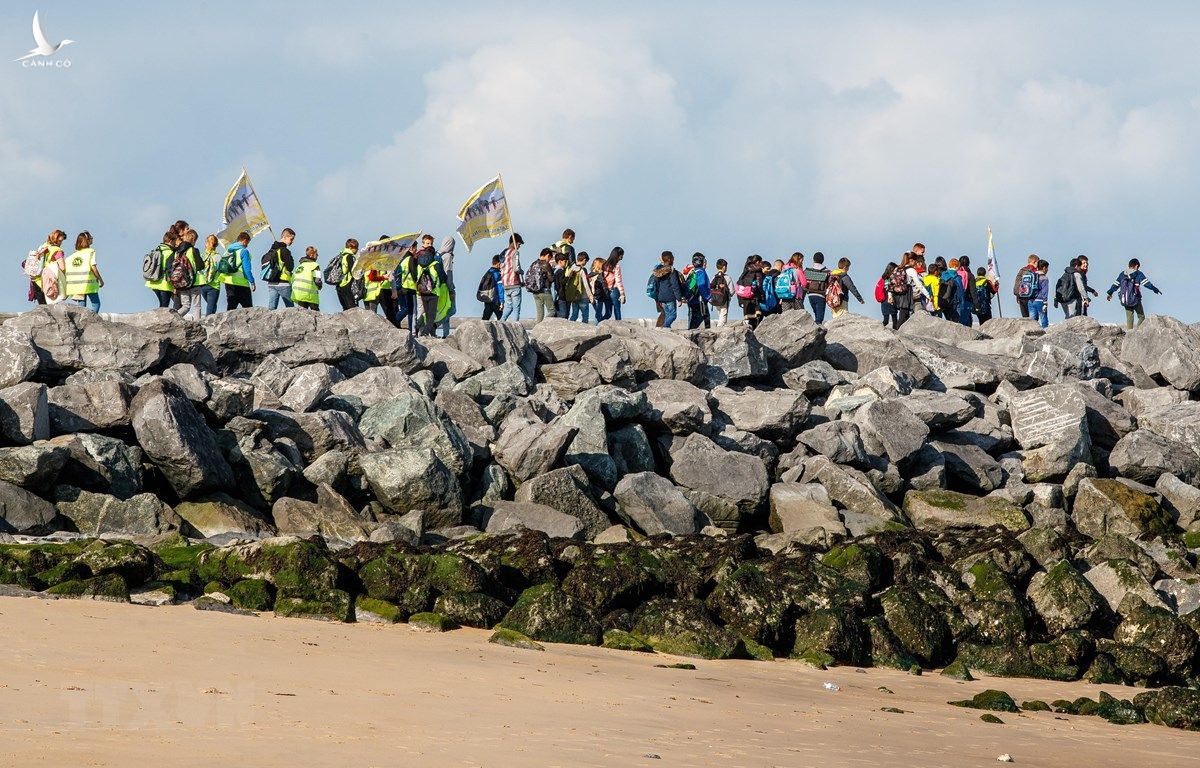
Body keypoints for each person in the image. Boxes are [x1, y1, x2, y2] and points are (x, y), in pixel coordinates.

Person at [1106, 258, 1162, 328]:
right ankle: (1136, 332)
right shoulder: (1139, 273)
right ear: (1136, 266)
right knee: (1141, 316)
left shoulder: (1122, 274)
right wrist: (1155, 289)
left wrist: (1110, 293)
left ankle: (1129, 334)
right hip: (1136, 299)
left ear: (1129, 265)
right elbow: (1147, 284)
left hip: (1125, 299)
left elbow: (1115, 285)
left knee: (1129, 318)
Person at [413, 241, 448, 337]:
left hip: (422, 292)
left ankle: (422, 329)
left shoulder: (419, 264)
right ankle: (424, 332)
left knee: (427, 314)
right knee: (431, 316)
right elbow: (443, 277)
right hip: (433, 292)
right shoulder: (436, 263)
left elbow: (416, 276)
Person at [63, 231, 103, 312]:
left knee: (81, 307)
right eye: (91, 238)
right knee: (96, 303)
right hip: (89, 284)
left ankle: (81, 322)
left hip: (76, 285)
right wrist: (100, 280)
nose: (92, 239)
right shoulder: (90, 252)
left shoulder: (72, 256)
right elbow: (93, 267)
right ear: (87, 240)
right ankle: (91, 321)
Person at [26, 229, 67, 305]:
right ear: (55, 239)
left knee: (42, 308)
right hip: (49, 282)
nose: (60, 243)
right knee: (52, 307)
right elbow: (63, 267)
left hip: (37, 280)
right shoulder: (57, 250)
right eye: (60, 241)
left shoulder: (43, 246)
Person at [174, 229, 205, 320]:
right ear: (193, 239)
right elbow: (200, 266)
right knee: (196, 306)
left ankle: (173, 318)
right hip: (194, 282)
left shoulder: (177, 251)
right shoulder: (193, 250)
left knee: (186, 306)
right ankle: (198, 325)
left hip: (181, 282)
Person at [262, 228, 296, 309]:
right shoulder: (284, 251)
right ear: (284, 237)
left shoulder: (271, 250)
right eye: (291, 239)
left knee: (271, 309)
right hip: (283, 283)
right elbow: (290, 267)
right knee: (291, 309)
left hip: (271, 282)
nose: (292, 241)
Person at [651, 251, 685, 328]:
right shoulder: (672, 271)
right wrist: (679, 299)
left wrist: (657, 298)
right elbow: (675, 285)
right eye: (673, 257)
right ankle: (664, 326)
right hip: (670, 297)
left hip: (661, 297)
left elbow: (656, 285)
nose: (674, 259)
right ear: (670, 259)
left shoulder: (658, 272)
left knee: (667, 315)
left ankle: (666, 329)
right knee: (673, 315)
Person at [222, 231, 256, 310]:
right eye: (247, 242)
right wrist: (252, 281)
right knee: (249, 310)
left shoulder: (228, 251)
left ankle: (227, 322)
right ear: (244, 241)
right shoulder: (244, 251)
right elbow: (247, 269)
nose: (247, 245)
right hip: (241, 283)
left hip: (229, 282)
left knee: (231, 308)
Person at [391, 237, 418, 331]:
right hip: (409, 287)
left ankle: (393, 322)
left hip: (399, 287)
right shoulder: (410, 258)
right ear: (411, 248)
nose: (416, 250)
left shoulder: (401, 259)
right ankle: (411, 330)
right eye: (415, 248)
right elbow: (414, 274)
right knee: (410, 311)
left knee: (403, 308)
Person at [146, 230, 177, 308]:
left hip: (153, 282)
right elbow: (169, 269)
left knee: (162, 305)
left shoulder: (156, 250)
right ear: (170, 241)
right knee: (164, 306)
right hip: (164, 283)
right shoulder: (170, 252)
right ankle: (161, 320)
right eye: (174, 242)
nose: (175, 244)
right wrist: (174, 285)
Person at [524, 247, 555, 322]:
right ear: (547, 255)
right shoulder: (546, 264)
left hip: (535, 292)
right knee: (552, 311)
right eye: (550, 258)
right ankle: (544, 325)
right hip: (545, 291)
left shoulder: (533, 264)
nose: (549, 260)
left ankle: (537, 330)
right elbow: (551, 279)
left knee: (540, 314)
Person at [683, 253, 711, 330]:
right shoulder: (701, 272)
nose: (706, 263)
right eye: (704, 261)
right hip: (700, 299)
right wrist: (708, 297)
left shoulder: (693, 271)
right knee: (705, 317)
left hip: (692, 299)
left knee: (692, 318)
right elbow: (701, 285)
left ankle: (691, 334)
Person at [501, 232, 524, 322]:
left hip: (505, 284)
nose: (519, 246)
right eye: (519, 244)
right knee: (516, 308)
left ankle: (501, 322)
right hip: (514, 283)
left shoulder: (503, 253)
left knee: (508, 307)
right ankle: (516, 326)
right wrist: (521, 271)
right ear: (514, 242)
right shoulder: (515, 252)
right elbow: (516, 268)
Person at [291, 246, 323, 311]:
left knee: (302, 314)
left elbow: (293, 279)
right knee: (316, 312)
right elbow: (317, 280)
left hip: (298, 294)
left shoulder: (300, 266)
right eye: (316, 254)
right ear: (311, 255)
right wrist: (320, 286)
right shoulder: (315, 265)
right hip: (310, 293)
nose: (317, 255)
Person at [736, 255, 764, 329]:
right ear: (758, 262)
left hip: (745, 299)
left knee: (748, 320)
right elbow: (759, 285)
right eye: (761, 262)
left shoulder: (745, 270)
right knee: (757, 320)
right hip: (755, 299)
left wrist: (740, 300)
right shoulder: (758, 271)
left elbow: (739, 283)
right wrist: (762, 295)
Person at [200, 234, 224, 316]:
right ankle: (209, 326)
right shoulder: (218, 256)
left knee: (212, 307)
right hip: (214, 285)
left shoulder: (201, 255)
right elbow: (222, 270)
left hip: (202, 284)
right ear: (216, 245)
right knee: (211, 308)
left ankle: (210, 324)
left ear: (206, 243)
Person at [437, 236, 456, 338]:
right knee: (451, 310)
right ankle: (434, 326)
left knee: (443, 310)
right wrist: (451, 289)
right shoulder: (448, 256)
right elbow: (448, 273)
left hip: (437, 286)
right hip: (445, 287)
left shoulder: (437, 253)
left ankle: (446, 333)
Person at [566, 253, 594, 322]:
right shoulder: (582, 270)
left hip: (574, 296)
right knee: (585, 315)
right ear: (584, 260)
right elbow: (586, 285)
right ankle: (584, 332)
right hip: (583, 296)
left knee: (574, 315)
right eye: (586, 261)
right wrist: (591, 297)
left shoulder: (571, 268)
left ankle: (570, 329)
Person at [804, 252, 831, 322]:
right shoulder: (827, 271)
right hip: (820, 295)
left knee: (816, 314)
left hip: (810, 294)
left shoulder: (808, 271)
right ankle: (817, 331)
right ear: (823, 260)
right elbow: (830, 283)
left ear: (813, 260)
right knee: (819, 318)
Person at [334, 238, 359, 311]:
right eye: (356, 248)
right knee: (352, 308)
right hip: (347, 284)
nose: (357, 250)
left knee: (345, 308)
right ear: (351, 247)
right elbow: (352, 271)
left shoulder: (341, 255)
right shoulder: (349, 256)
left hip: (339, 284)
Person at [1013, 253, 1040, 318]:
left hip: (1021, 297)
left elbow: (1017, 282)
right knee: (1033, 318)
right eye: (1037, 263)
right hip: (1031, 298)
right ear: (1034, 262)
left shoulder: (1022, 270)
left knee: (1025, 317)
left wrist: (1017, 296)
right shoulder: (1035, 271)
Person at [479, 254, 504, 320]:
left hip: (488, 298)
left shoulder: (488, 272)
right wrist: (502, 301)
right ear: (498, 263)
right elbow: (500, 288)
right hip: (496, 300)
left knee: (485, 318)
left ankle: (482, 329)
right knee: (501, 318)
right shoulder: (498, 274)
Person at [604, 247, 626, 320]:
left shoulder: (605, 265)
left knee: (608, 313)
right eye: (622, 255)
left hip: (606, 291)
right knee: (617, 312)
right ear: (618, 255)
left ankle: (598, 325)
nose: (622, 257)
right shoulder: (616, 266)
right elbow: (618, 281)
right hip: (614, 290)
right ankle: (620, 328)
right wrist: (622, 294)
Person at [939, 259, 963, 324]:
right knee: (956, 322)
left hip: (944, 301)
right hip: (955, 302)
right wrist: (962, 303)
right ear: (956, 267)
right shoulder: (957, 278)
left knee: (948, 320)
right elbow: (960, 292)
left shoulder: (943, 275)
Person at [1029, 259, 1051, 328]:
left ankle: (1032, 333)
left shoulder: (1032, 276)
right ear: (1044, 268)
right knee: (1043, 319)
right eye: (1047, 268)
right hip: (1040, 301)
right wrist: (1045, 302)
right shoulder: (1044, 278)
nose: (1047, 270)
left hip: (1030, 300)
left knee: (1032, 321)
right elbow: (1045, 291)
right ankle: (1045, 334)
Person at [709, 258, 731, 327]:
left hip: (715, 299)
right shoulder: (727, 278)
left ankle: (718, 325)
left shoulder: (714, 277)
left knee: (719, 313)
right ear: (724, 267)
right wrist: (729, 296)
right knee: (723, 313)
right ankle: (719, 328)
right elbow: (732, 291)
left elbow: (710, 286)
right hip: (724, 299)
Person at [953, 255, 974, 327]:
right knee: (966, 321)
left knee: (959, 319)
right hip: (967, 299)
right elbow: (973, 290)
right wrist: (976, 303)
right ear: (968, 263)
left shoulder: (956, 273)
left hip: (957, 299)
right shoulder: (969, 274)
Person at [591, 256, 612, 322]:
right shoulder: (595, 275)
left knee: (599, 312)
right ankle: (598, 326)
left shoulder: (596, 274)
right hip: (596, 296)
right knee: (598, 313)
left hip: (599, 296)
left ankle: (599, 325)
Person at [877, 262, 898, 327]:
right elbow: (888, 289)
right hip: (889, 300)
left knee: (886, 320)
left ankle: (880, 330)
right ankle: (895, 334)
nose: (896, 272)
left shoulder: (883, 278)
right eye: (895, 270)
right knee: (894, 320)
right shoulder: (889, 279)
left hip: (884, 301)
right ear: (891, 270)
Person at [552, 253, 570, 319]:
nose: (566, 263)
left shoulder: (553, 270)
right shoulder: (560, 271)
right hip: (560, 295)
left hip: (553, 295)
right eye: (565, 261)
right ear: (560, 261)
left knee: (556, 313)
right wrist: (568, 277)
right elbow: (562, 282)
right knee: (563, 315)